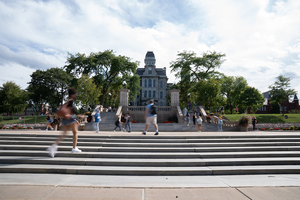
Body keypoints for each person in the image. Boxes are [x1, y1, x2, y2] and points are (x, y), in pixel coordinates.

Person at [46, 88, 83, 157]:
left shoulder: (67, 101)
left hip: (65, 119)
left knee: (63, 134)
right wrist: (78, 116)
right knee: (75, 133)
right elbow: (73, 110)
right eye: (75, 94)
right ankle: (74, 148)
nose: (75, 95)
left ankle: (53, 146)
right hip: (70, 118)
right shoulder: (71, 101)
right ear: (72, 94)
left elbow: (66, 110)